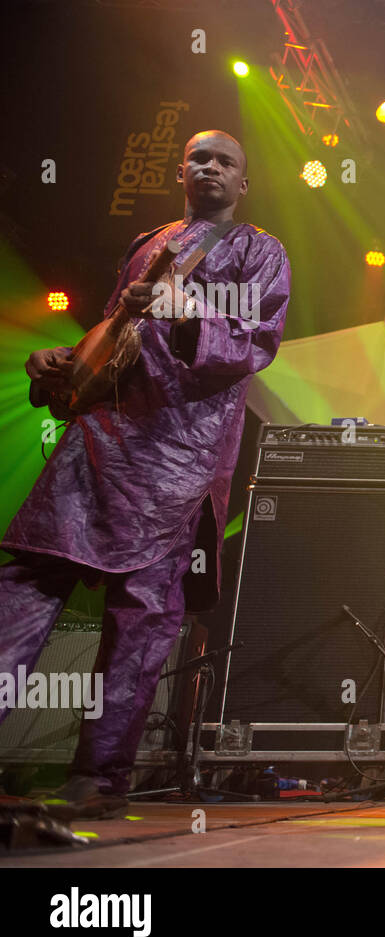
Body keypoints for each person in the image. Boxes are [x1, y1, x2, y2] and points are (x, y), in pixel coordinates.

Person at [0, 130, 291, 817]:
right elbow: (117, 333)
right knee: (21, 583)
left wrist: (185, 309)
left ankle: (100, 777)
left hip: (177, 454)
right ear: (180, 170)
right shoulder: (146, 242)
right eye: (198, 157)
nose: (209, 167)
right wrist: (64, 360)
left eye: (225, 161)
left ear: (243, 183)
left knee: (141, 614)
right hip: (96, 439)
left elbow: (258, 342)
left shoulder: (258, 250)